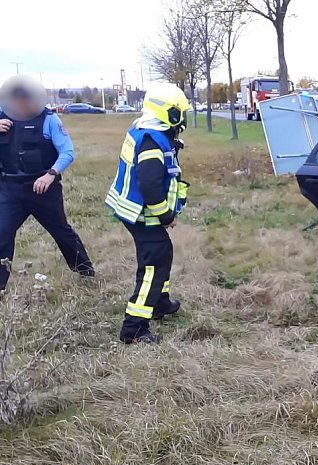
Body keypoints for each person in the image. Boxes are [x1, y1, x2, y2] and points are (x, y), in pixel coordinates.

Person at [105, 84, 191, 344]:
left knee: (161, 255)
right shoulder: (152, 141)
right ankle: (134, 328)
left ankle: (160, 303)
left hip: (135, 212)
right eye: (180, 113)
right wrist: (166, 216)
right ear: (168, 113)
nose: (183, 119)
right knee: (154, 265)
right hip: (143, 214)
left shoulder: (146, 130)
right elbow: (151, 186)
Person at [0, 75, 94, 291]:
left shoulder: (49, 120)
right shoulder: (2, 118)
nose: (21, 105)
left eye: (25, 99)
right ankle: (0, 286)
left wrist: (51, 174)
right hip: (10, 189)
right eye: (16, 100)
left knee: (61, 231)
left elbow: (68, 152)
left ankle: (86, 272)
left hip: (43, 188)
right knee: (2, 233)